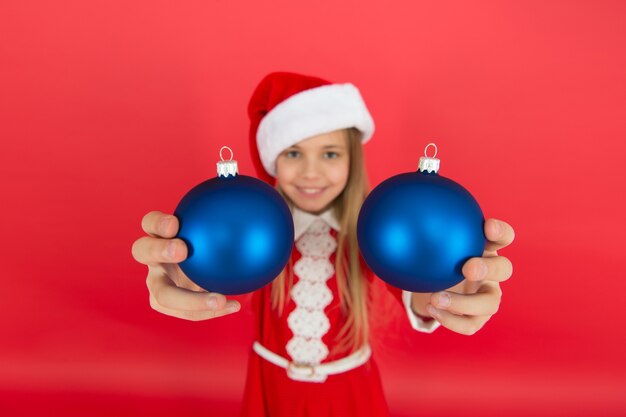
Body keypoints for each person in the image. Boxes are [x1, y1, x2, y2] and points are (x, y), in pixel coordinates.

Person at [131, 72, 515, 416]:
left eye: (329, 153)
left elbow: (415, 292)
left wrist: (447, 288)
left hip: (349, 394)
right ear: (271, 162)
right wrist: (186, 271)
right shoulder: (255, 234)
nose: (311, 172)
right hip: (272, 391)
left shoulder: (377, 230)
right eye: (293, 153)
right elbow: (220, 264)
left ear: (352, 161)